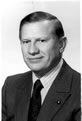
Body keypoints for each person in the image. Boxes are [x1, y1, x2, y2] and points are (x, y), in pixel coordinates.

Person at [2, 11, 81, 121]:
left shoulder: (78, 88)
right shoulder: (10, 86)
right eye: (26, 41)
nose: (32, 50)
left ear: (61, 44)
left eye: (42, 40)